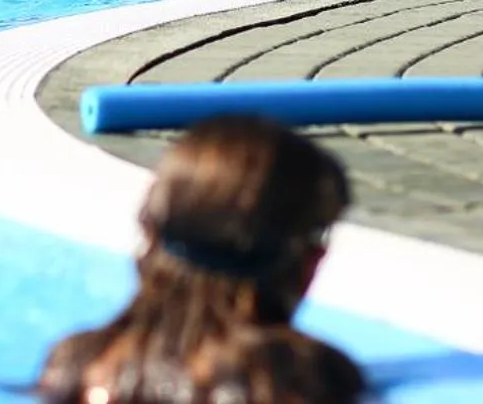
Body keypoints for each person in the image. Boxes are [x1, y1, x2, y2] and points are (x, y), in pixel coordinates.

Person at [32, 114, 365, 404]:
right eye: (318, 234)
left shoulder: (75, 364)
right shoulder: (298, 374)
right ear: (305, 263)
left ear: (149, 236)